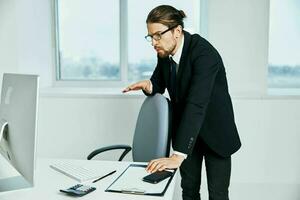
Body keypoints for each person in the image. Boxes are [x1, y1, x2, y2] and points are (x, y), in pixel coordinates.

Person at [123, 5, 241, 200]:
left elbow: (197, 103)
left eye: (158, 35)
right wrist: (149, 85)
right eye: (150, 37)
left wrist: (177, 155)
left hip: (216, 132)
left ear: (177, 31)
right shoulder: (164, 52)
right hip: (187, 131)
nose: (154, 42)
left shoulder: (205, 54)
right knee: (189, 189)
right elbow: (159, 82)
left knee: (218, 194)